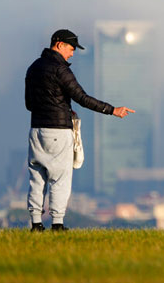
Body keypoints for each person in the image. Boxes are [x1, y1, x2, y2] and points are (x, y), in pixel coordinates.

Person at [24, 29, 134, 231]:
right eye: (71, 48)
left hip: (36, 130)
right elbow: (82, 98)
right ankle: (57, 224)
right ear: (58, 44)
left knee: (37, 177)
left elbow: (29, 104)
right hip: (58, 132)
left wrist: (54, 105)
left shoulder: (33, 68)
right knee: (60, 178)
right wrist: (112, 110)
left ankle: (36, 224)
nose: (72, 53)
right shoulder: (60, 70)